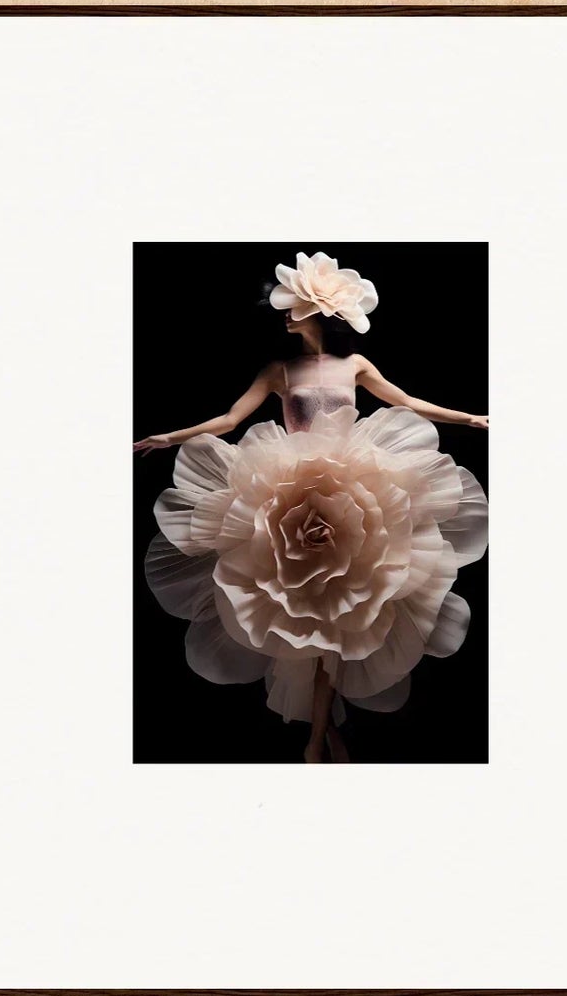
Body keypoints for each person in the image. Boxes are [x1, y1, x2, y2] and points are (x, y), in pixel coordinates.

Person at [135, 254, 487, 762]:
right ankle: (318, 736)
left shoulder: (355, 365)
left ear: (320, 314)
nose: (285, 314)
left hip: (358, 483)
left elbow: (407, 401)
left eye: (294, 307)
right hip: (284, 484)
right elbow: (232, 417)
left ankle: (318, 737)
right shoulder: (280, 368)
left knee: (349, 615)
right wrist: (172, 436)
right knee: (308, 619)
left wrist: (470, 418)